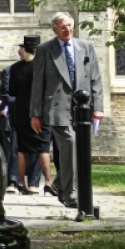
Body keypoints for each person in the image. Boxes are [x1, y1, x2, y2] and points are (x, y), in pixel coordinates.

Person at [30, 12, 104, 208]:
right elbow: (38, 82)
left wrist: (98, 107)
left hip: (82, 107)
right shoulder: (46, 50)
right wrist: (35, 113)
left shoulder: (86, 47)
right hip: (57, 107)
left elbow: (95, 78)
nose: (67, 29)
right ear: (55, 29)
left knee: (80, 149)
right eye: (63, 26)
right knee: (70, 144)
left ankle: (59, 184)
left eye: (70, 25)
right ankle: (71, 193)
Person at [5, 35, 47, 194]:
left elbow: (12, 91)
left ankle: (21, 183)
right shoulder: (42, 66)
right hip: (39, 112)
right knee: (40, 148)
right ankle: (41, 183)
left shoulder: (15, 68)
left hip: (21, 112)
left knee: (21, 149)